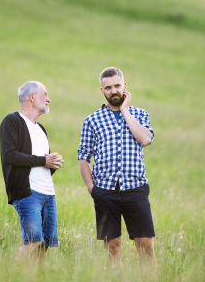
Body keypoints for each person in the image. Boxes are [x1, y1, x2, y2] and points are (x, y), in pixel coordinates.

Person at [78, 67, 157, 269]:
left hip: (135, 189)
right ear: (102, 90)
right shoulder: (92, 120)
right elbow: (83, 157)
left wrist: (125, 111)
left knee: (146, 246)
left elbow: (146, 139)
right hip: (105, 191)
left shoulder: (140, 114)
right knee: (112, 248)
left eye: (117, 86)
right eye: (108, 87)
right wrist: (91, 189)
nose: (113, 91)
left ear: (125, 87)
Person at [0, 81, 64, 263]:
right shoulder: (12, 122)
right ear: (32, 96)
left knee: (44, 246)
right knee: (33, 242)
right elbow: (9, 156)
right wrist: (44, 160)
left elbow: (40, 163)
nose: (48, 99)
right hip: (28, 193)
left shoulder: (41, 129)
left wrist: (52, 164)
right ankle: (13, 273)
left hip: (48, 194)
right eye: (45, 95)